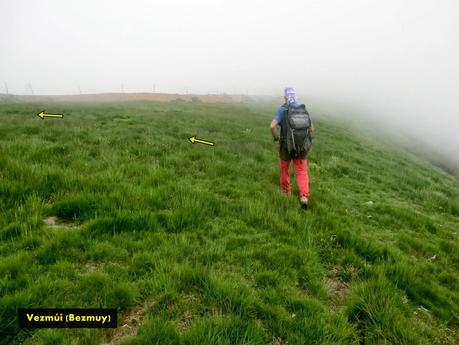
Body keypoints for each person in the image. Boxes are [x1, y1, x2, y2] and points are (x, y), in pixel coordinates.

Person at [270, 88, 314, 209]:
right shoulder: (302, 109)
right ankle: (304, 197)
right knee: (302, 171)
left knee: (284, 169)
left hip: (286, 146)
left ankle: (286, 193)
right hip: (302, 147)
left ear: (285, 97)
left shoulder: (283, 109)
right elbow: (312, 128)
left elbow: (272, 126)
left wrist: (276, 138)